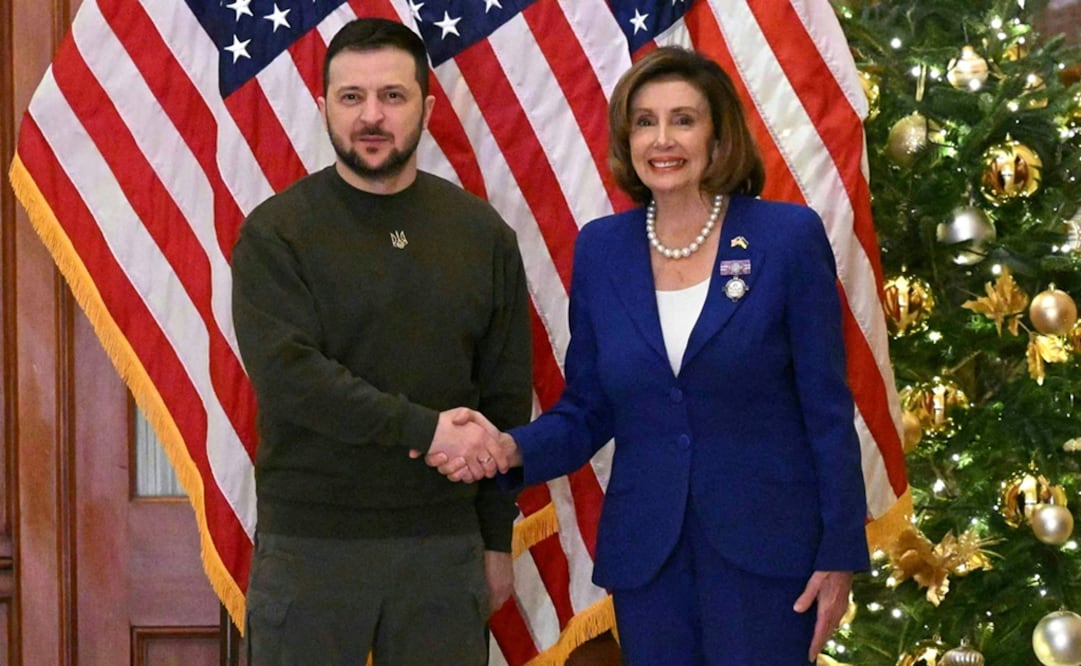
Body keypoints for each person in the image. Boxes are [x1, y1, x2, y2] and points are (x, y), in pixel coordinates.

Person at [430, 46, 869, 664]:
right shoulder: (603, 251)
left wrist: (840, 553)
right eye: (645, 121)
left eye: (683, 120)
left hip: (769, 557)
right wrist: (510, 449)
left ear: (718, 137)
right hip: (649, 559)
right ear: (627, 139)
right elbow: (588, 407)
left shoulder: (785, 237)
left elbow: (827, 406)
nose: (663, 139)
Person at [230, 17, 532, 665]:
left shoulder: (482, 235)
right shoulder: (276, 233)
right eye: (351, 97)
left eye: (391, 97)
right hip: (311, 547)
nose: (371, 115)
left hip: (441, 548)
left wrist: (494, 541)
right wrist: (429, 432)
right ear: (323, 108)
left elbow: (504, 401)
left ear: (424, 107)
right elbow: (291, 379)